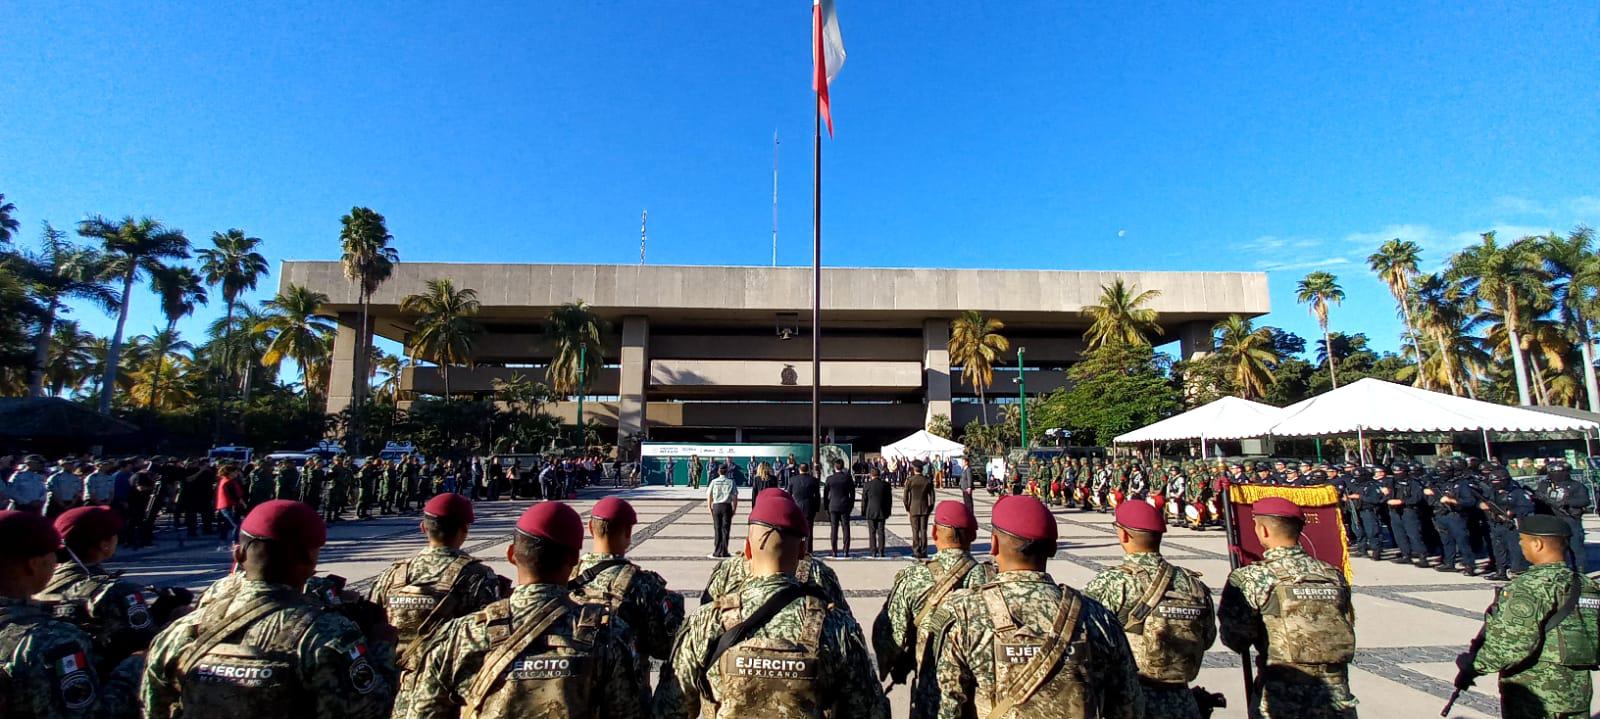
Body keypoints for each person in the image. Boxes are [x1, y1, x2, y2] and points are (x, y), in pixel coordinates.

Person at [141, 500, 398, 718]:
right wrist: (382, 646)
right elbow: (370, 709)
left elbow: (154, 707)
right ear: (311, 558)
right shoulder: (326, 634)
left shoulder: (182, 631)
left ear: (238, 554)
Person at [400, 502, 649, 718]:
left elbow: (422, 711)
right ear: (574, 559)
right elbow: (628, 711)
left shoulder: (461, 635)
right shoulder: (608, 635)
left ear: (511, 555)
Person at [656, 490, 887, 719]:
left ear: (747, 549)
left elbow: (669, 708)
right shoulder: (837, 628)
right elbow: (868, 710)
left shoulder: (706, 623)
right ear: (802, 551)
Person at [931, 495, 1143, 718]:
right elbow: (1128, 704)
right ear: (1052, 548)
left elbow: (949, 704)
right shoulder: (1097, 617)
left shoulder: (964, 613)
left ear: (993, 544)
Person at [1218, 497, 1359, 718]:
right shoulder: (1332, 574)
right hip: (1336, 697)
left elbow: (1235, 638)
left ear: (1263, 530)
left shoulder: (1252, 577)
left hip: (1280, 697)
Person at [367, 492, 504, 715]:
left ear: (423, 527)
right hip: (443, 699)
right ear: (464, 530)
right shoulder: (476, 576)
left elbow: (371, 630)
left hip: (390, 693)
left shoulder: (392, 575)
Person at [1456, 515, 1600, 719]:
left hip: (1535, 693)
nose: (1521, 546)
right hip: (1576, 692)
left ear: (1538, 544)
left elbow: (1512, 645)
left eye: (1522, 541)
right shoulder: (1587, 585)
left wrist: (1472, 665)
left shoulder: (1529, 587)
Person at [1084, 501, 1217, 719]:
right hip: (1183, 704)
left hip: (1132, 702)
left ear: (1124, 535)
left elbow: (1089, 642)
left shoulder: (1112, 582)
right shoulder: (1191, 584)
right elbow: (1208, 637)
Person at [873, 500, 995, 715]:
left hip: (932, 698)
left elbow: (888, 633)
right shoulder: (991, 579)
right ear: (973, 536)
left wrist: (892, 664)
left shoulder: (915, 577)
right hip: (982, 702)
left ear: (934, 533)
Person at [0, 509, 111, 718]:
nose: (56, 563)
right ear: (33, 564)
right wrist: (132, 667)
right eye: (53, 555)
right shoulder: (52, 639)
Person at [568, 497, 685, 687]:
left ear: (590, 528)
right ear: (629, 533)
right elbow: (662, 647)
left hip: (573, 692)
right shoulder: (642, 584)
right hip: (626, 696)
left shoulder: (568, 576)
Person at [35, 506, 161, 678]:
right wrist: (170, 616)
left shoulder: (41, 582)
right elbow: (146, 641)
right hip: (105, 680)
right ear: (104, 545)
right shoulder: (114, 590)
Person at [701, 489, 848, 609]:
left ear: (748, 548)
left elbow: (705, 606)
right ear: (802, 550)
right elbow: (843, 615)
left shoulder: (726, 571)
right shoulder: (818, 573)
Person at [1535, 460, 1591, 573]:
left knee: (1576, 547)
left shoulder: (1576, 486)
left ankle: (1580, 571)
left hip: (1570, 519)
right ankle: (1561, 571)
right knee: (1555, 548)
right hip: (1551, 520)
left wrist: (1567, 502)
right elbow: (1538, 497)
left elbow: (1584, 501)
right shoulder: (1545, 485)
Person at [785, 462, 822, 554]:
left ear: (799, 469)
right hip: (809, 507)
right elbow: (817, 496)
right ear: (808, 469)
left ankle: (797, 549)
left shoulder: (792, 480)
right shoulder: (813, 480)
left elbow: (788, 495)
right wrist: (817, 508)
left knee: (796, 530)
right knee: (809, 530)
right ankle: (808, 550)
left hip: (796, 507)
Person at [823, 459, 856, 558]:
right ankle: (846, 550)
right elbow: (852, 494)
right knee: (846, 528)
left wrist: (826, 507)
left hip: (833, 505)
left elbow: (825, 495)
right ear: (843, 467)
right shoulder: (847, 478)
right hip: (845, 505)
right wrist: (851, 505)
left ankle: (834, 551)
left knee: (834, 529)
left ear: (835, 467)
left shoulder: (830, 479)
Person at [903, 460, 935, 559]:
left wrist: (907, 508)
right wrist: (929, 509)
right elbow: (932, 498)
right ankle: (924, 551)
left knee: (915, 531)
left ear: (914, 469)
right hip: (924, 508)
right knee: (924, 530)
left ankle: (916, 550)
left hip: (913, 508)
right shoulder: (927, 480)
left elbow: (905, 497)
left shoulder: (910, 480)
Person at [706, 465, 737, 559]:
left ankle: (717, 551)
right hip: (726, 506)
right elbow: (735, 497)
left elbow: (709, 495)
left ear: (718, 472)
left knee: (717, 528)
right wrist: (734, 509)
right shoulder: (731, 482)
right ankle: (724, 551)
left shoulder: (714, 482)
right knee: (725, 529)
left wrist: (709, 507)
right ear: (727, 472)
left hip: (716, 506)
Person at [861, 467, 893, 558]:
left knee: (872, 532)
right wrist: (888, 511)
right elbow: (889, 500)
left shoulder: (867, 485)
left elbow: (864, 500)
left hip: (870, 510)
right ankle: (881, 551)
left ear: (871, 475)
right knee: (881, 531)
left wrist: (863, 511)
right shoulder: (886, 485)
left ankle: (873, 551)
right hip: (882, 510)